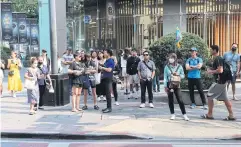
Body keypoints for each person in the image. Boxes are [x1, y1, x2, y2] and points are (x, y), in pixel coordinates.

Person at [203, 45, 235, 120]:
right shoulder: (219, 58)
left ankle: (209, 114)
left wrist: (211, 71)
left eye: (211, 49)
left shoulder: (217, 58)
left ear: (215, 50)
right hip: (223, 82)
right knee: (225, 98)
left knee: (209, 96)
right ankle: (231, 115)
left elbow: (220, 70)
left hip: (219, 82)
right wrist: (211, 69)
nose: (210, 51)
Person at [164, 53, 189, 121]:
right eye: (169, 58)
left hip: (177, 85)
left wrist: (178, 75)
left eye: (171, 58)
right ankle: (172, 114)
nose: (170, 59)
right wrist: (165, 86)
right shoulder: (167, 67)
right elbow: (165, 77)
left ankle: (184, 114)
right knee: (170, 100)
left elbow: (183, 75)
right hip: (170, 84)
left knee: (180, 100)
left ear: (175, 59)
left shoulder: (179, 67)